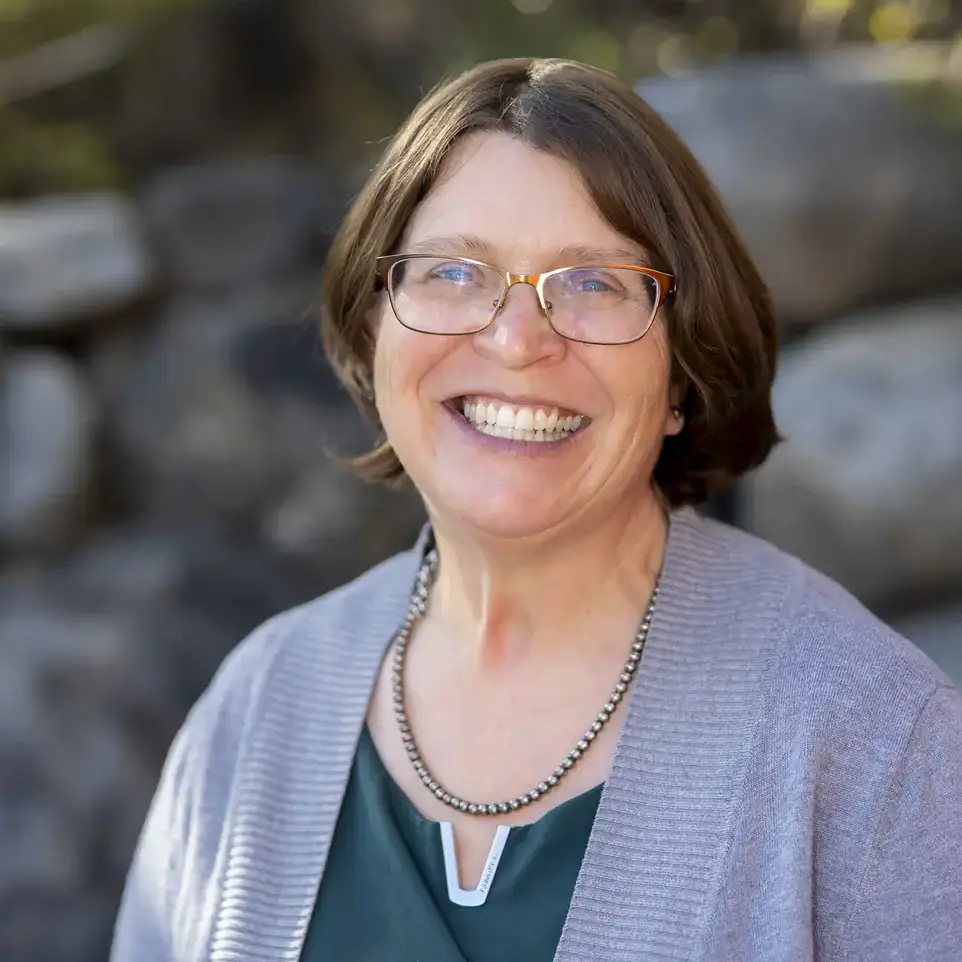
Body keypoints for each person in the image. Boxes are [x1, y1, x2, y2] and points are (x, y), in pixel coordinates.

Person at [110, 58, 962, 962]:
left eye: (594, 283)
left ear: (683, 372)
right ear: (374, 329)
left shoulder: (871, 736)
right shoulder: (262, 702)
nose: (518, 341)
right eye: (453, 272)